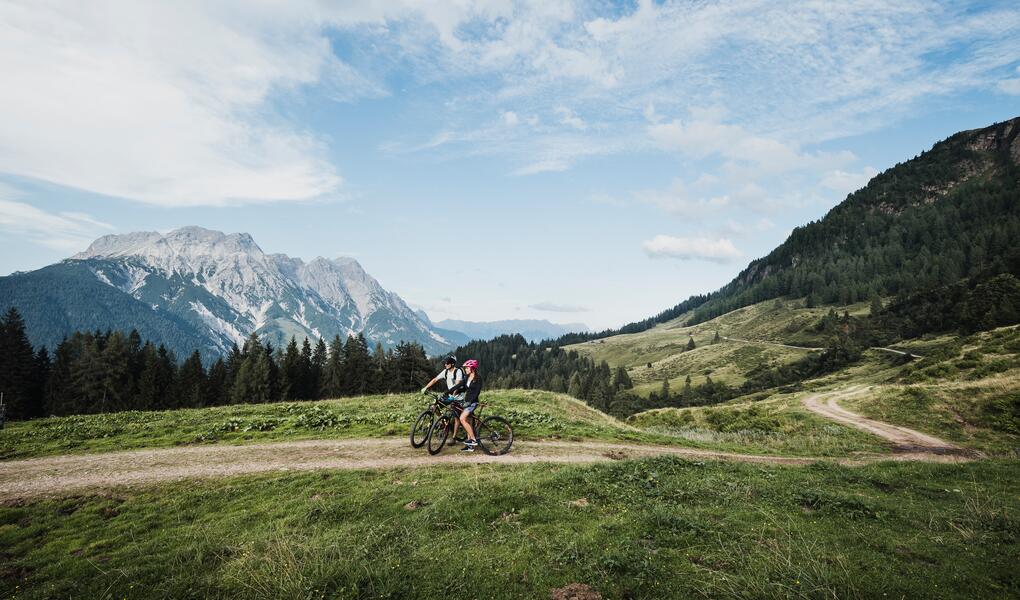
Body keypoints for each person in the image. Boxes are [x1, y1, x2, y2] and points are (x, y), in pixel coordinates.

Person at [422, 357, 467, 444]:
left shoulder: (458, 372)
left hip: (458, 397)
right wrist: (426, 387)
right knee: (434, 406)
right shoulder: (445, 371)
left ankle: (454, 438)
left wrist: (453, 396)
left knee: (457, 417)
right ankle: (443, 421)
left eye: (447, 363)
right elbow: (435, 379)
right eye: (445, 363)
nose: (445, 364)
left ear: (452, 364)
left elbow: (457, 385)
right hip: (449, 395)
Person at [446, 359, 482, 451]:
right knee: (468, 422)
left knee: (462, 418)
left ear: (472, 368)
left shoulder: (478, 378)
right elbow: (459, 386)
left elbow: (476, 392)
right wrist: (448, 391)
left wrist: (470, 402)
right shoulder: (467, 377)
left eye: (467, 368)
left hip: (473, 403)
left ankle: (473, 440)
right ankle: (470, 447)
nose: (465, 369)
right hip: (467, 402)